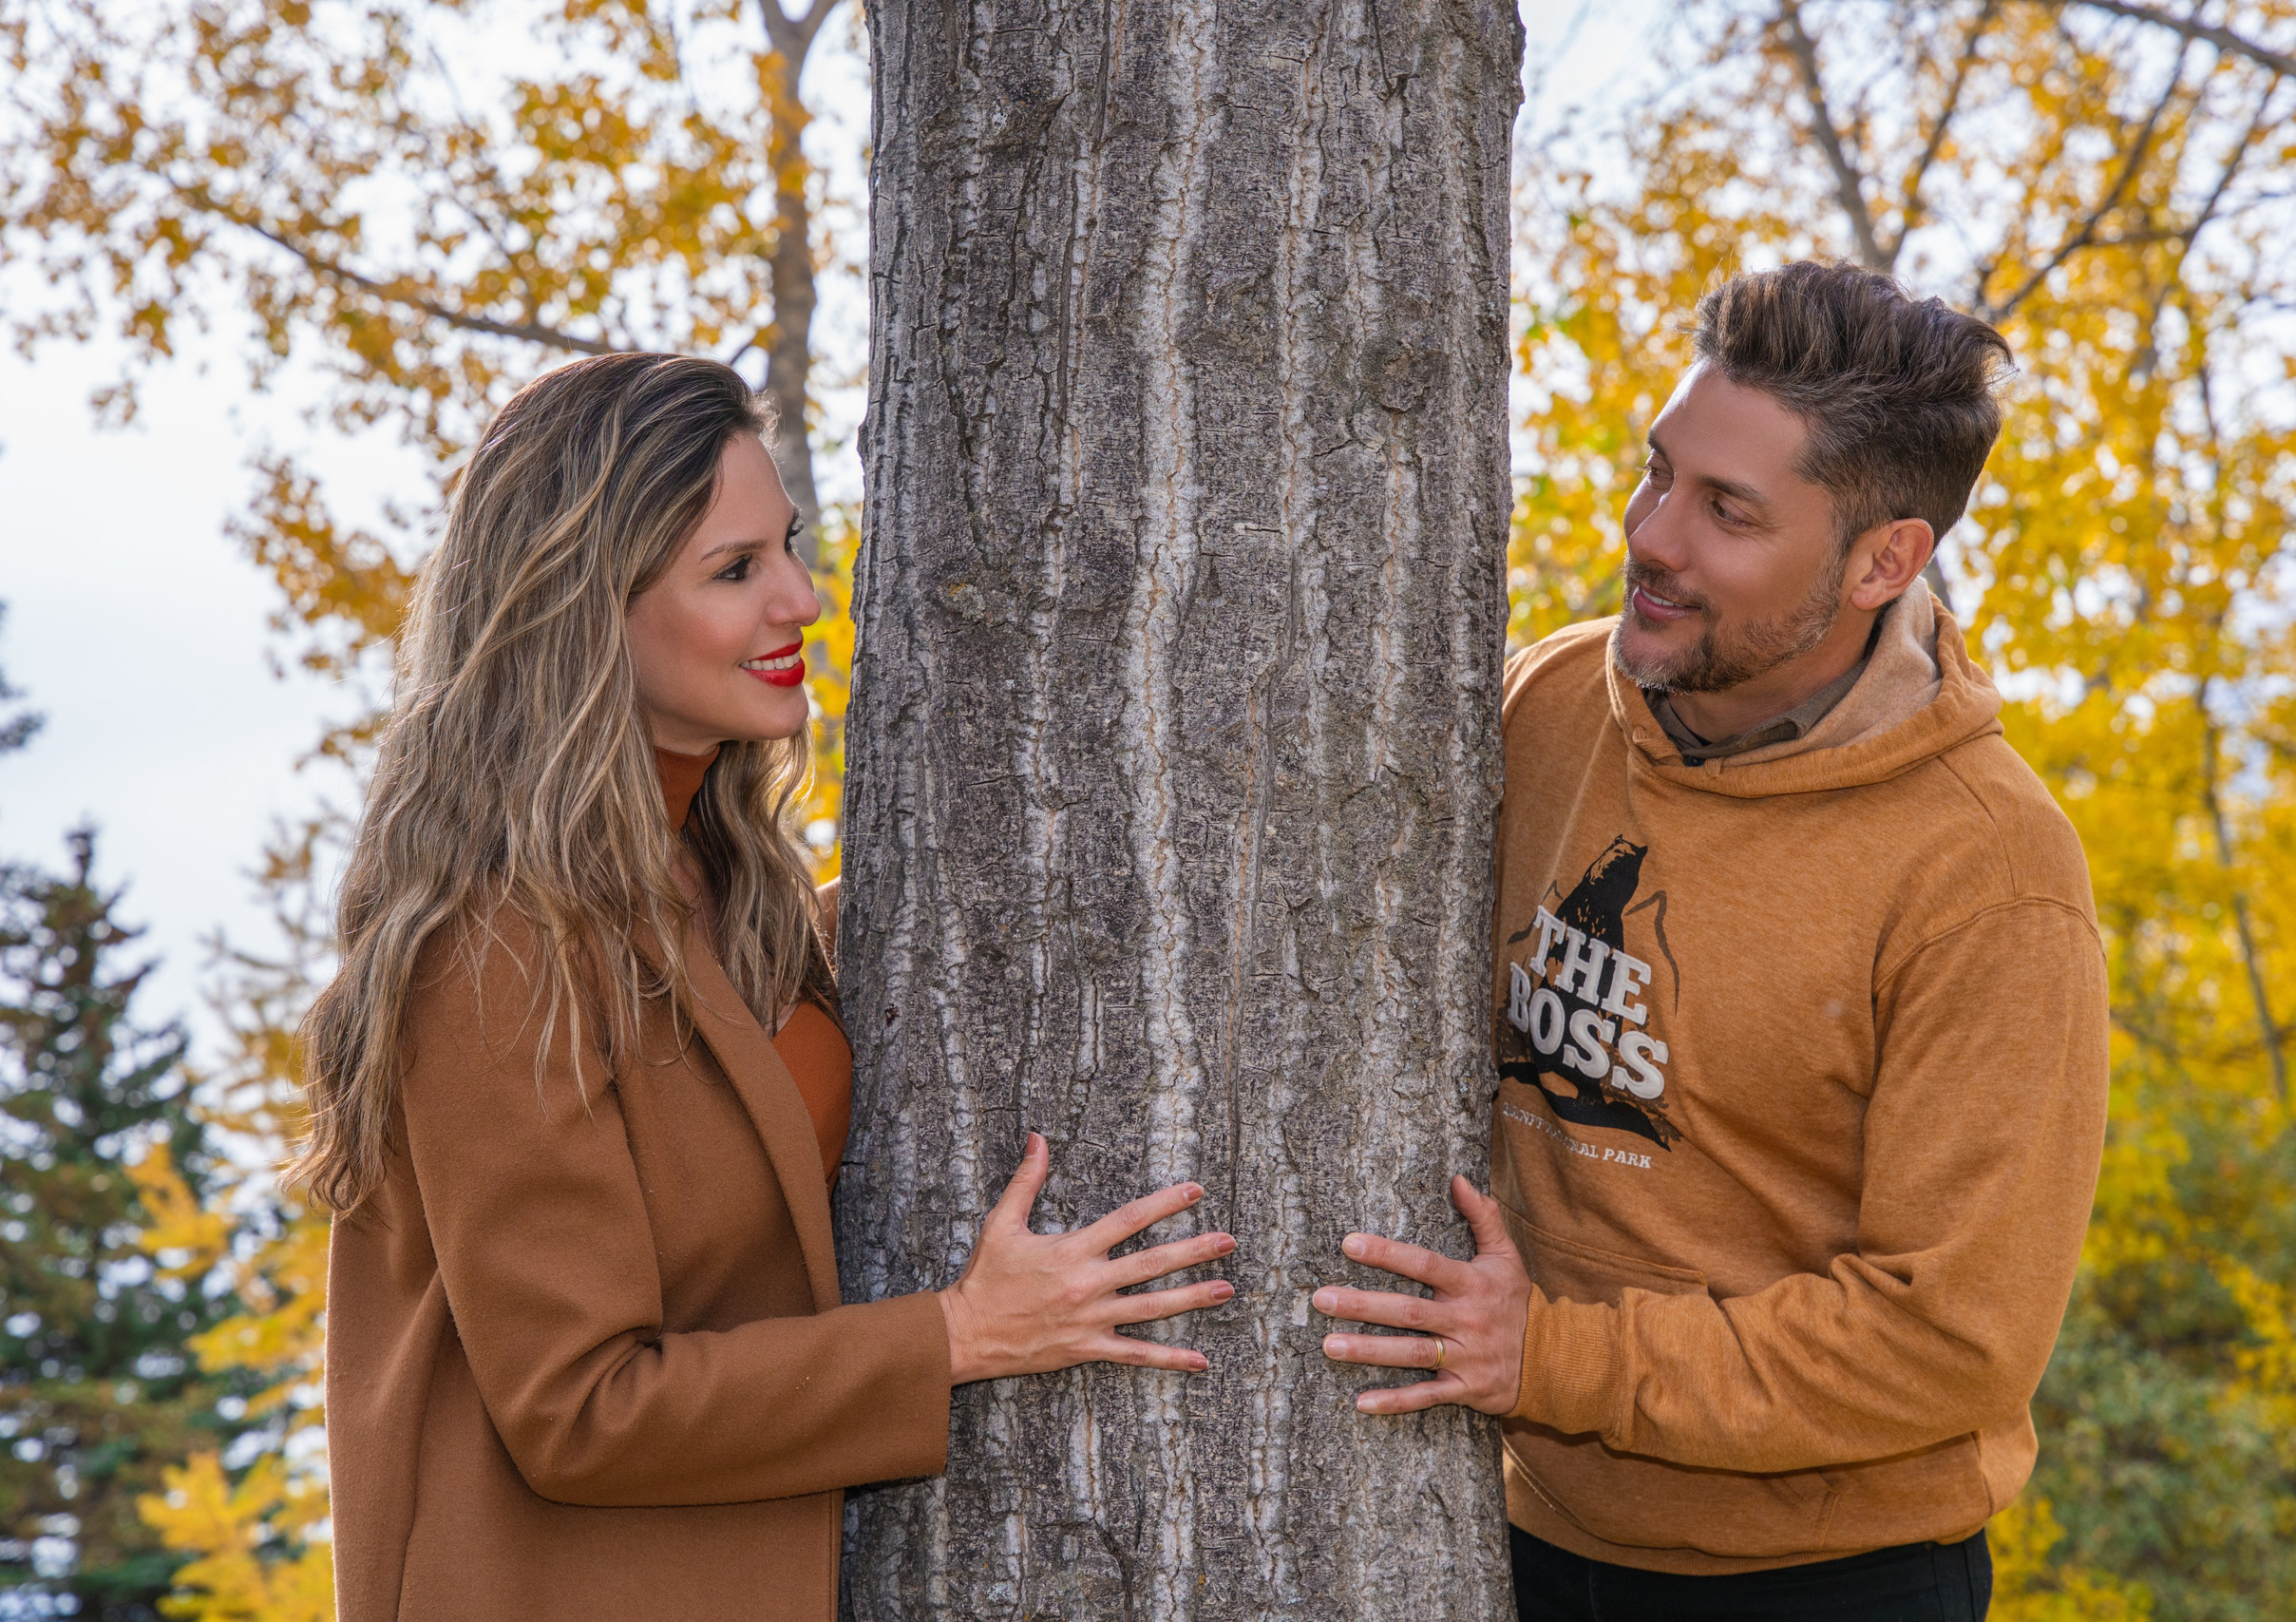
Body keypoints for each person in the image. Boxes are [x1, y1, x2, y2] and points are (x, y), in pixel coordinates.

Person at [296, 353, 1237, 1621]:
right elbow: (577, 1411)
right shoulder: (496, 945)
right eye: (735, 572)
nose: (800, 597)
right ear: (587, 609)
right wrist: (960, 1337)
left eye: (786, 547)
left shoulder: (708, 875)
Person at [1312, 262, 2109, 1620]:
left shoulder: (1988, 870)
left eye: (1727, 511)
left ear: (1883, 562)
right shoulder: (1553, 699)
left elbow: (1947, 1338)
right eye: (1658, 473)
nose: (1653, 536)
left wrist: (1552, 1363)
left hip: (1822, 1579)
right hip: (1499, 1535)